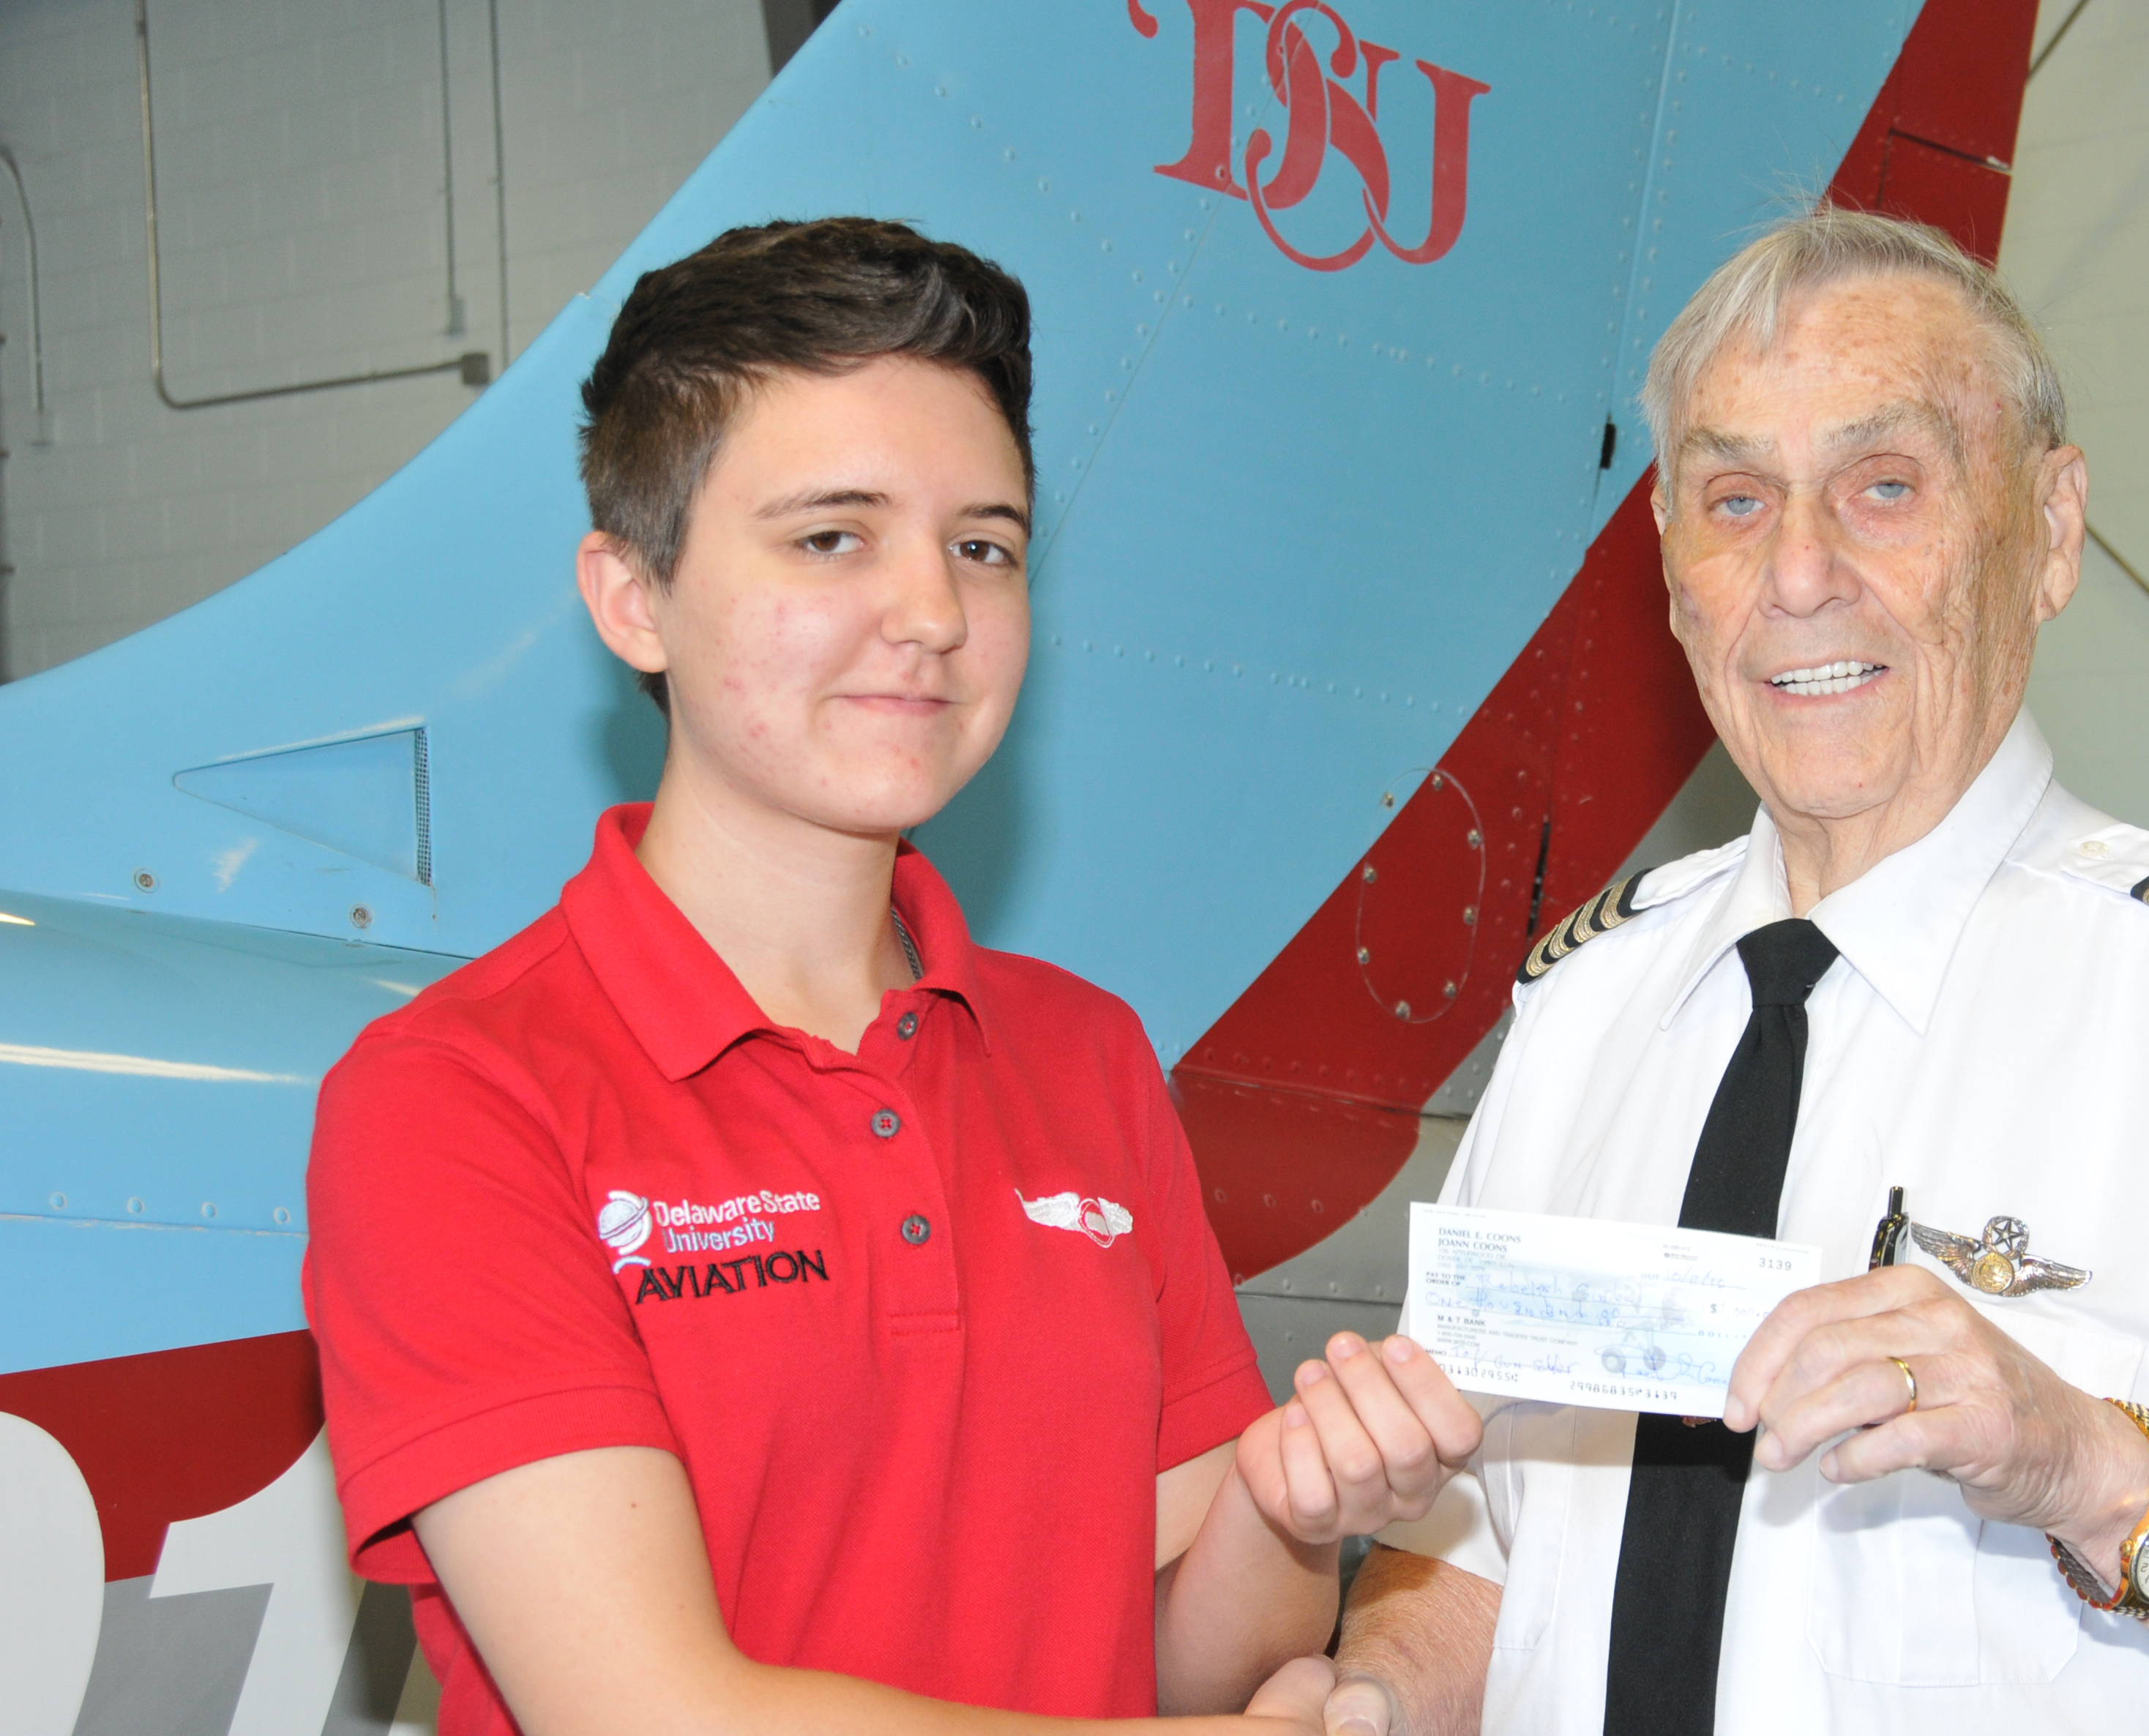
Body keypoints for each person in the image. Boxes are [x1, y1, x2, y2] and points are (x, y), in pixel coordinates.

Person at [1320, 209, 2149, 1736]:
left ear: (2046, 533)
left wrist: (2082, 1462)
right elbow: (1494, 1564)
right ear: (1668, 568)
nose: (1798, 573)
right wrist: (1361, 1699)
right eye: (1733, 498)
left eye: (1882, 487)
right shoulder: (1580, 1011)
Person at [303, 217, 1479, 1736]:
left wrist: (1296, 1504)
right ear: (630, 595)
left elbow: (1187, 1660)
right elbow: (653, 1714)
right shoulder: (452, 1099)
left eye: (982, 545)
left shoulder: (1085, 1055)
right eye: (831, 535)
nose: (932, 611)